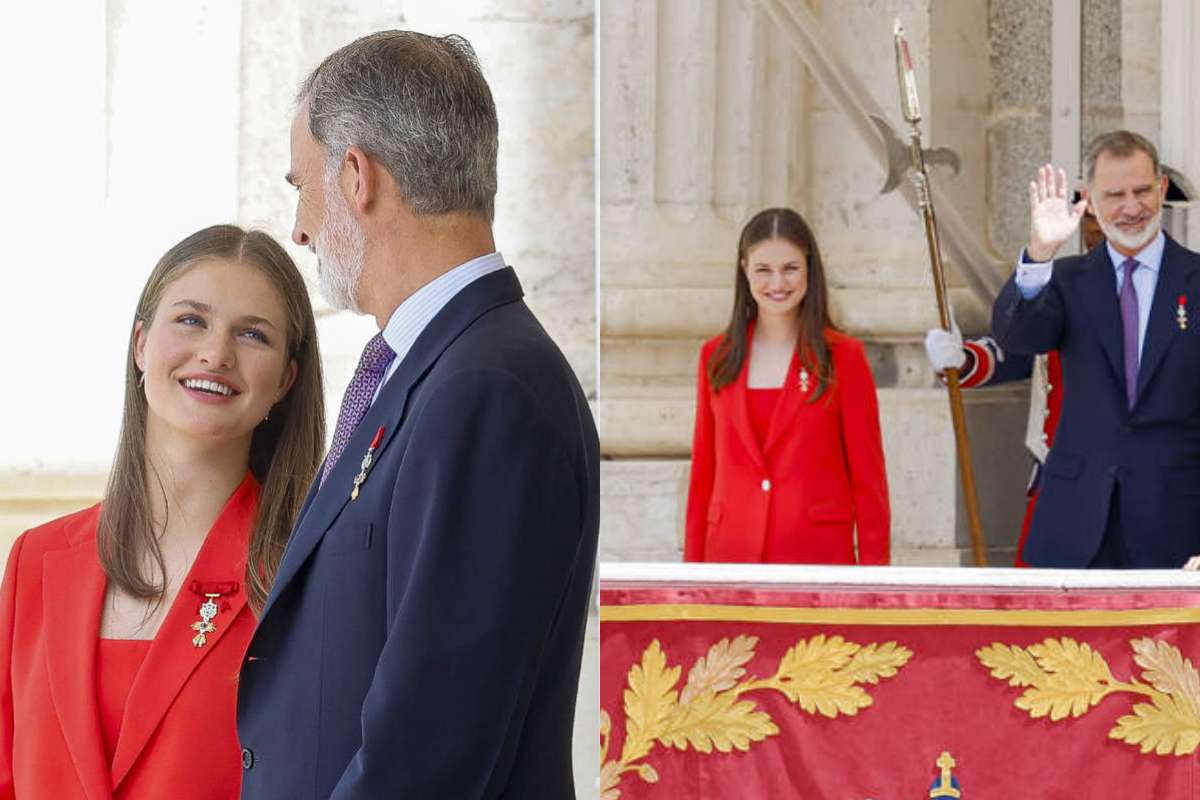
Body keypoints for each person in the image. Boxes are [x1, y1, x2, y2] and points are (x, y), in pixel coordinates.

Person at [235, 31, 600, 799]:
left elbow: (431, 750)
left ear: (357, 176)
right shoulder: (437, 366)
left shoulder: (488, 389)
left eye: (302, 184)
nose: (298, 228)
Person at [0, 225, 325, 799]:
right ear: (140, 344)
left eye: (252, 335)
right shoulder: (36, 560)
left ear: (286, 380)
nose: (216, 353)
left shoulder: (308, 574)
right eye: (191, 320)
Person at [992, 130, 1200, 568]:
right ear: (1088, 198)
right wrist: (1040, 252)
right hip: (1076, 526)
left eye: (1142, 191)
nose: (1130, 207)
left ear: (1162, 188)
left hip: (1178, 526)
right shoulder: (1065, 280)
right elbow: (1017, 338)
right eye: (1114, 194)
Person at [684, 207, 890, 564]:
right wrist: (690, 583)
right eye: (764, 270)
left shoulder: (843, 357)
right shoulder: (715, 356)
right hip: (731, 559)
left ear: (810, 269)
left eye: (790, 268)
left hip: (816, 562)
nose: (777, 283)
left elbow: (869, 483)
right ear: (744, 270)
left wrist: (873, 586)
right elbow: (703, 476)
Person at [923, 202, 1105, 566]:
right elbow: (1016, 350)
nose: (1098, 229)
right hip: (1063, 485)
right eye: (1090, 217)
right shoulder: (1061, 289)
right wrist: (962, 360)